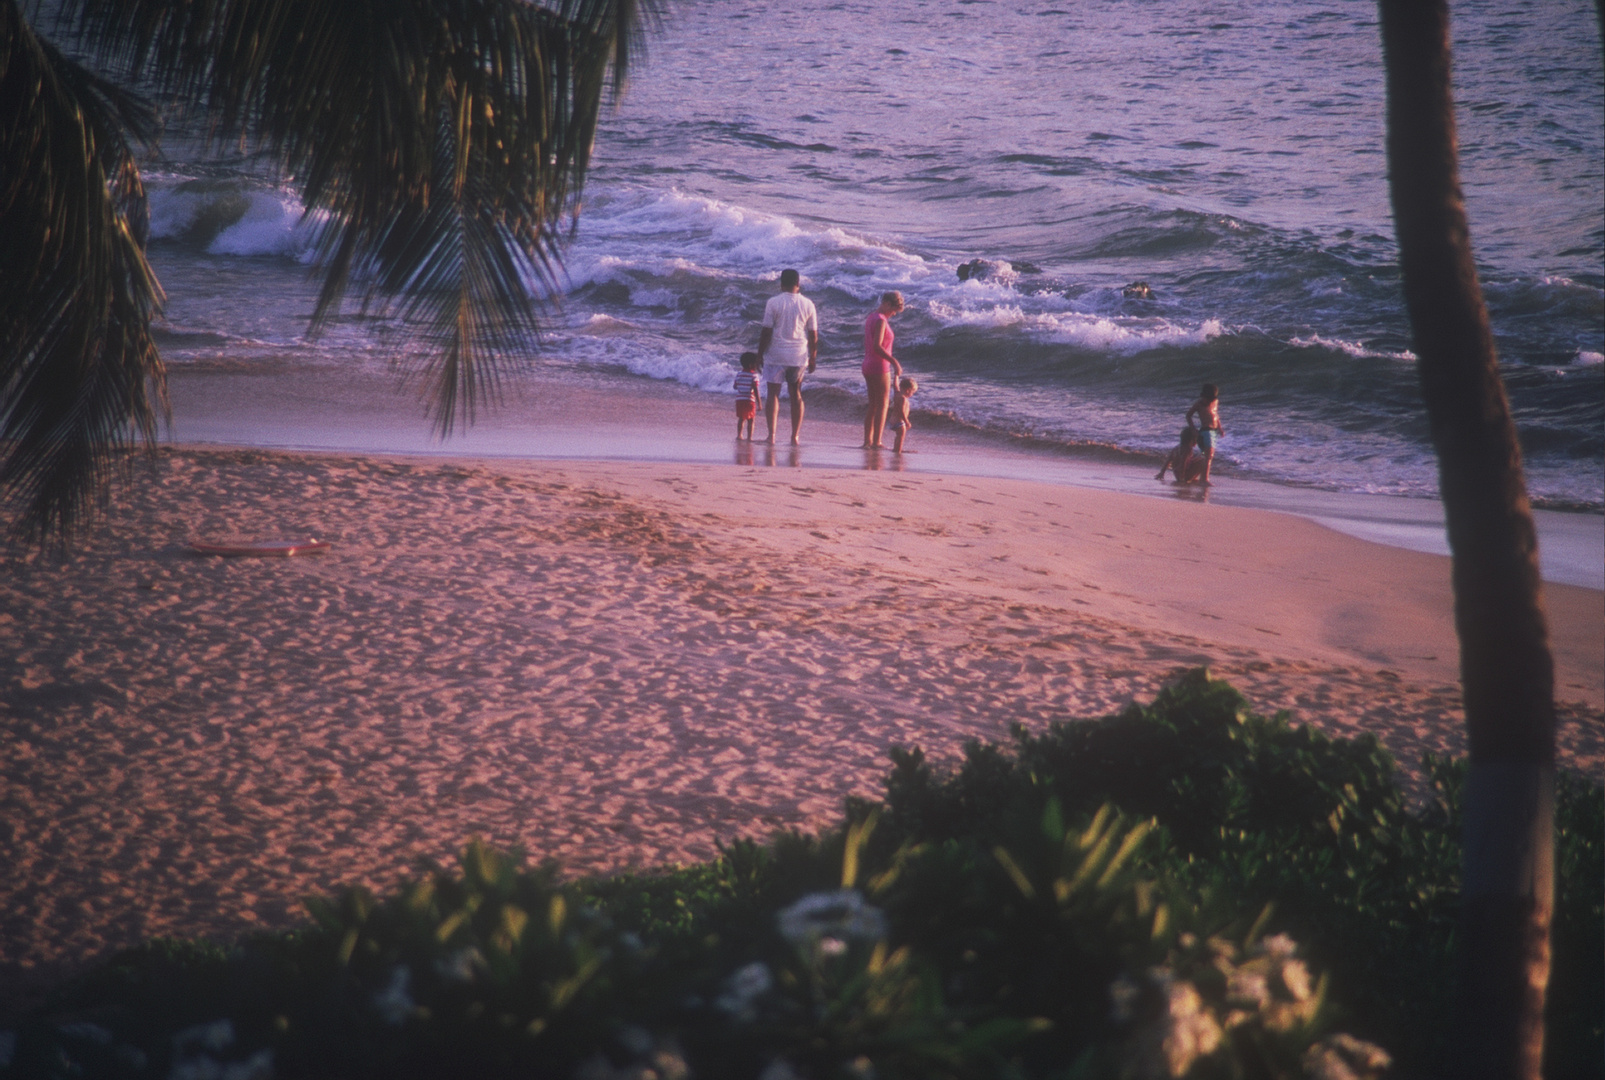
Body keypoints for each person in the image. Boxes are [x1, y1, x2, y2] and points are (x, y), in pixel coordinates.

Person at [757, 269, 819, 445]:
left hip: (776, 355)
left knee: (773, 395)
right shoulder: (808, 304)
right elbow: (813, 335)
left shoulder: (773, 303)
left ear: (781, 284)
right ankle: (795, 437)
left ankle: (772, 436)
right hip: (798, 356)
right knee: (796, 395)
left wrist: (759, 354)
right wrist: (813, 357)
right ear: (798, 284)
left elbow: (766, 331)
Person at [861, 290, 905, 448]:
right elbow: (877, 346)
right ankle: (877, 441)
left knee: (872, 404)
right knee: (883, 404)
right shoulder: (880, 321)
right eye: (893, 310)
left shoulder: (871, 317)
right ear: (886, 304)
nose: (894, 314)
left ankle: (867, 441)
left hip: (867, 364)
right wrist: (894, 362)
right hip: (879, 366)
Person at [1185, 383, 1224, 483]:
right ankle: (1204, 479)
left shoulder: (1215, 401)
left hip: (1214, 432)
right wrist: (1193, 429)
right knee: (1208, 455)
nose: (1206, 400)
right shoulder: (1199, 404)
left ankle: (1197, 475)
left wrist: (1220, 428)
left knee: (1207, 456)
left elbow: (1216, 415)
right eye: (1205, 398)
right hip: (1206, 431)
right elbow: (1188, 415)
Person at [733, 351, 762, 441]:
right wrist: (759, 403)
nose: (758, 366)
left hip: (740, 400)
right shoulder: (754, 375)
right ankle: (749, 437)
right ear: (751, 365)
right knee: (751, 419)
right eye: (756, 364)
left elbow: (735, 386)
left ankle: (739, 435)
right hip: (749, 400)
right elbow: (756, 390)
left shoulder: (739, 374)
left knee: (741, 418)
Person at [888, 376, 917, 452]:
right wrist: (906, 421)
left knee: (898, 436)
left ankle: (896, 448)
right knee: (900, 436)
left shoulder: (897, 394)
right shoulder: (903, 399)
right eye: (912, 392)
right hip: (899, 421)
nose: (912, 395)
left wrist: (896, 376)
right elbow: (901, 411)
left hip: (892, 421)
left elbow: (895, 386)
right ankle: (898, 450)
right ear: (908, 390)